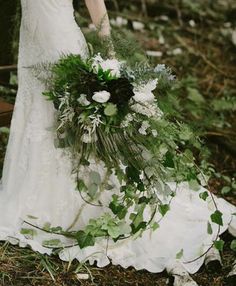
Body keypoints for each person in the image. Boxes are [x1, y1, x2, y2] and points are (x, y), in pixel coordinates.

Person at [0, 1, 235, 285]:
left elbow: (95, 3)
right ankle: (35, 186)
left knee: (62, 122)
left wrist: (111, 55)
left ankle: (76, 196)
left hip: (58, 44)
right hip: (32, 46)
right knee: (39, 116)